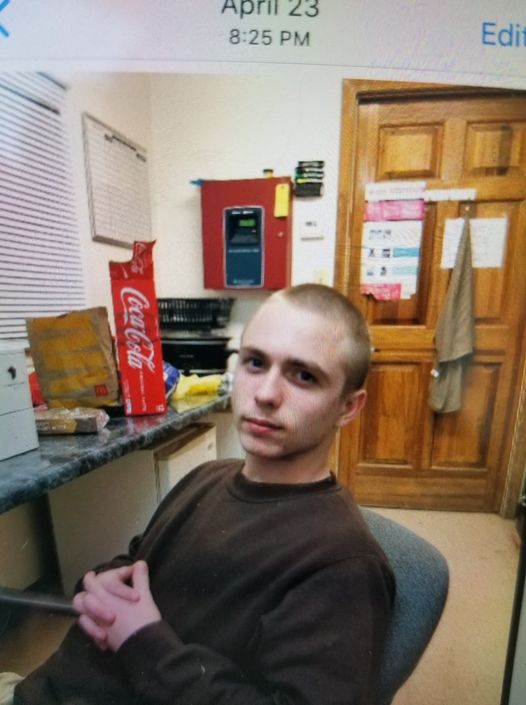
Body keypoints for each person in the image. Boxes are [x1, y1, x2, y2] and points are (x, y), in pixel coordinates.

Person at [11, 283, 395, 705]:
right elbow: (142, 559)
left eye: (304, 376)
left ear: (348, 407)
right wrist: (105, 582)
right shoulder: (206, 477)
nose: (266, 394)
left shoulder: (343, 564)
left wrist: (142, 642)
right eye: (255, 363)